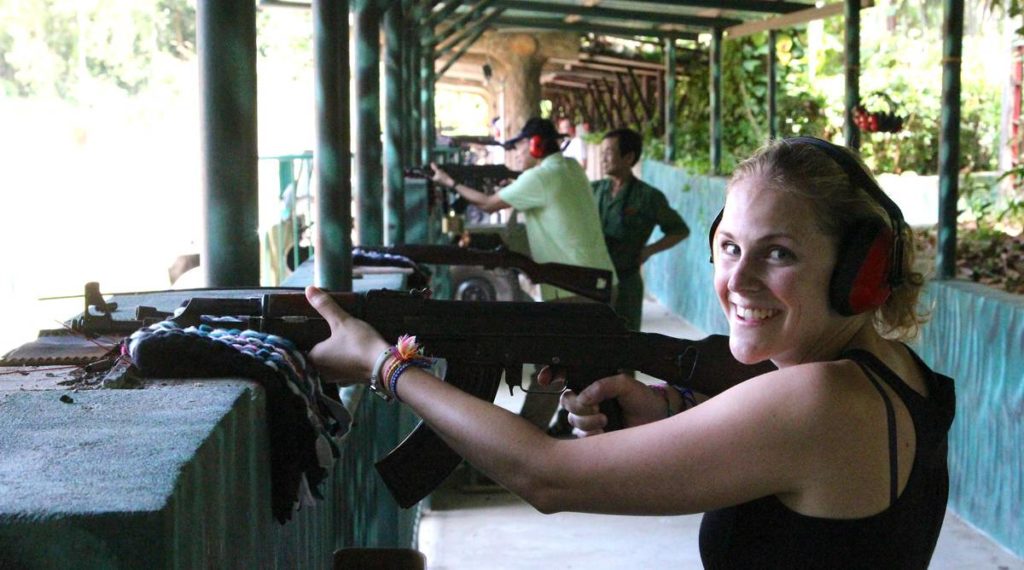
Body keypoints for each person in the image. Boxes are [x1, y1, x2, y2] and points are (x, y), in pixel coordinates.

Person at [307, 136, 955, 568]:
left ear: (859, 273)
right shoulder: (901, 378)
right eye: (729, 247)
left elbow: (547, 475)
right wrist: (665, 407)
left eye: (778, 253)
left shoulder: (820, 399)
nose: (740, 280)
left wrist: (384, 365)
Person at [430, 117, 615, 303]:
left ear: (535, 144)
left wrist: (449, 182)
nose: (517, 154)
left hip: (573, 288)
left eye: (519, 146)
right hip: (602, 279)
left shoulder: (539, 178)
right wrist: (512, 186)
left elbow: (488, 204)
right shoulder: (572, 166)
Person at [594, 128, 690, 331]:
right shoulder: (593, 190)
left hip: (626, 282)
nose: (603, 158)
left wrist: (649, 251)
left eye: (609, 153)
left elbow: (679, 230)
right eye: (602, 153)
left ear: (628, 157)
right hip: (594, 281)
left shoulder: (648, 197)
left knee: (626, 343)